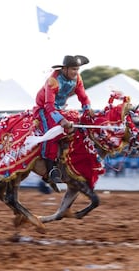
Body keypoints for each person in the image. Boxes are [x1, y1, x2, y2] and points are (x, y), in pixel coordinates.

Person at [33, 55, 94, 184]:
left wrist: (88, 110)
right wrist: (61, 121)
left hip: (60, 109)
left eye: (77, 69)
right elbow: (48, 105)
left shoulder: (77, 79)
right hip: (44, 109)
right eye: (73, 69)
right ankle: (51, 169)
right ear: (64, 69)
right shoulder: (53, 80)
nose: (76, 72)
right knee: (53, 133)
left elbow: (83, 97)